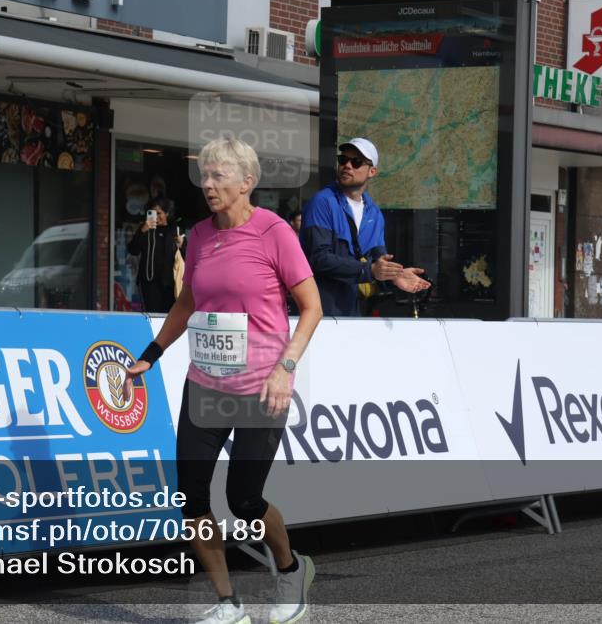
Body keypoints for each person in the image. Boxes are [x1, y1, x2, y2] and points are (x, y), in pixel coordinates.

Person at [125, 138, 323, 624]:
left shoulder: (273, 232)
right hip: (206, 385)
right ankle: (226, 602)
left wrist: (286, 368)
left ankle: (291, 569)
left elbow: (312, 308)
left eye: (218, 177)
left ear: (246, 183)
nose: (208, 185)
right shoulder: (197, 236)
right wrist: (152, 354)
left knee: (244, 501)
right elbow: (186, 304)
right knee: (190, 497)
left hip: (261, 387)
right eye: (205, 176)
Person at [300, 137, 430, 317]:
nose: (347, 166)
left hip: (353, 309)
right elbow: (319, 258)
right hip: (318, 309)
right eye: (343, 160)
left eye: (356, 162)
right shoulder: (322, 202)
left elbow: (379, 261)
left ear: (372, 171)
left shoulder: (374, 212)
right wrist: (369, 271)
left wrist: (395, 275)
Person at [127, 197, 184, 312]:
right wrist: (142, 230)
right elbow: (133, 250)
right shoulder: (145, 229)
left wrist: (182, 245)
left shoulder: (175, 230)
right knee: (152, 314)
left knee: (169, 315)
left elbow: (187, 256)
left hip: (171, 282)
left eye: (159, 213)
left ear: (166, 213)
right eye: (153, 213)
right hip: (149, 282)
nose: (156, 217)